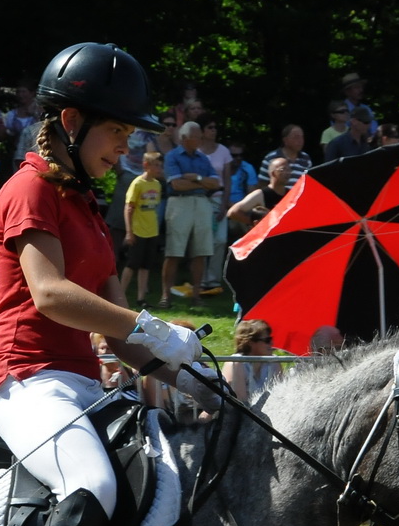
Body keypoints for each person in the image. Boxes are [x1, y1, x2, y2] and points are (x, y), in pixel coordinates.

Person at [0, 42, 206, 526]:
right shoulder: (28, 191)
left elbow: (116, 339)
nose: (126, 148)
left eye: (131, 135)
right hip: (21, 378)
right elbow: (49, 295)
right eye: (116, 132)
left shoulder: (86, 204)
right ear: (71, 122)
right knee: (91, 485)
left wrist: (188, 375)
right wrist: (154, 324)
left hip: (79, 382)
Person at [163, 122, 221, 300]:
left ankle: (197, 295)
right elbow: (177, 184)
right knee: (174, 251)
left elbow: (216, 183)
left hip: (202, 203)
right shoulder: (172, 156)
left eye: (200, 137)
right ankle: (165, 295)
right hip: (179, 204)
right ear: (184, 138)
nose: (199, 140)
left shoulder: (203, 158)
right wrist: (202, 182)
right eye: (196, 137)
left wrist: (195, 178)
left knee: (201, 251)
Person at [120, 151, 164, 305]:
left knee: (146, 266)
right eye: (156, 165)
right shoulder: (138, 183)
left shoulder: (157, 185)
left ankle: (141, 298)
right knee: (132, 264)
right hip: (137, 230)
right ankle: (119, 295)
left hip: (152, 231)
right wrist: (129, 232)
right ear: (146, 165)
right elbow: (129, 208)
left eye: (160, 165)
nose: (159, 168)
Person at [225, 317, 283, 402]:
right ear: (250, 342)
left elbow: (281, 396)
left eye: (271, 339)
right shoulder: (237, 362)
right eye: (267, 340)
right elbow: (240, 402)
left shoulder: (274, 362)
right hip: (240, 413)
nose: (272, 343)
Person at [262, 125, 311, 190]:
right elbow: (262, 183)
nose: (300, 140)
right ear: (285, 140)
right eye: (296, 137)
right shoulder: (271, 157)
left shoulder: (305, 158)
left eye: (302, 137)